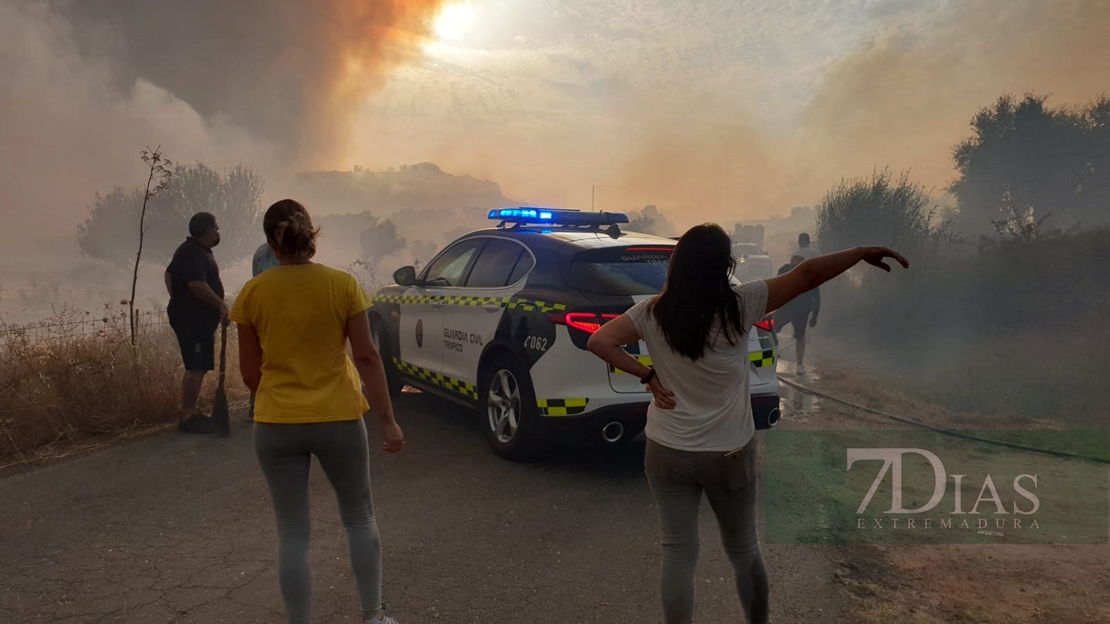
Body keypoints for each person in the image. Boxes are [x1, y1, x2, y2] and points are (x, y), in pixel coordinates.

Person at [586, 224, 908, 624]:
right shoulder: (743, 303)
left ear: (678, 265)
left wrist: (648, 377)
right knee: (743, 550)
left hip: (667, 450)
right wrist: (859, 250)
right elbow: (807, 276)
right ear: (725, 265)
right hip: (729, 452)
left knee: (678, 553)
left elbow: (599, 341)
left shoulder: (652, 311)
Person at [230, 199, 405, 624]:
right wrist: (388, 419)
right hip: (339, 418)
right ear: (311, 235)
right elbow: (366, 357)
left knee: (292, 532)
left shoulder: (252, 293)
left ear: (272, 241)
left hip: (275, 424)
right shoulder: (343, 285)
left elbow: (250, 373)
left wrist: (281, 396)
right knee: (359, 517)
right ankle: (374, 617)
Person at [165, 212, 228, 435]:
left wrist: (177, 299)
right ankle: (189, 416)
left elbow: (169, 274)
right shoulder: (193, 253)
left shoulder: (190, 250)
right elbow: (197, 284)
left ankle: (191, 411)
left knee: (197, 366)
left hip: (193, 318)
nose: (218, 233)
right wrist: (220, 304)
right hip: (194, 321)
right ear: (208, 231)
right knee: (195, 367)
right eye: (216, 229)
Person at [246, 241, 281, 422]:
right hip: (277, 312)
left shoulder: (260, 251)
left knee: (262, 358)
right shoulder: (282, 252)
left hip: (261, 311)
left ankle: (256, 405)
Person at [774, 254, 820, 374]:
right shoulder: (810, 273)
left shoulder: (786, 269)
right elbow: (817, 297)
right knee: (799, 335)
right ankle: (799, 364)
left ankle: (797, 363)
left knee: (773, 330)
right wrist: (814, 316)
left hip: (791, 307)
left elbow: (775, 286)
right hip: (800, 308)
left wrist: (815, 316)